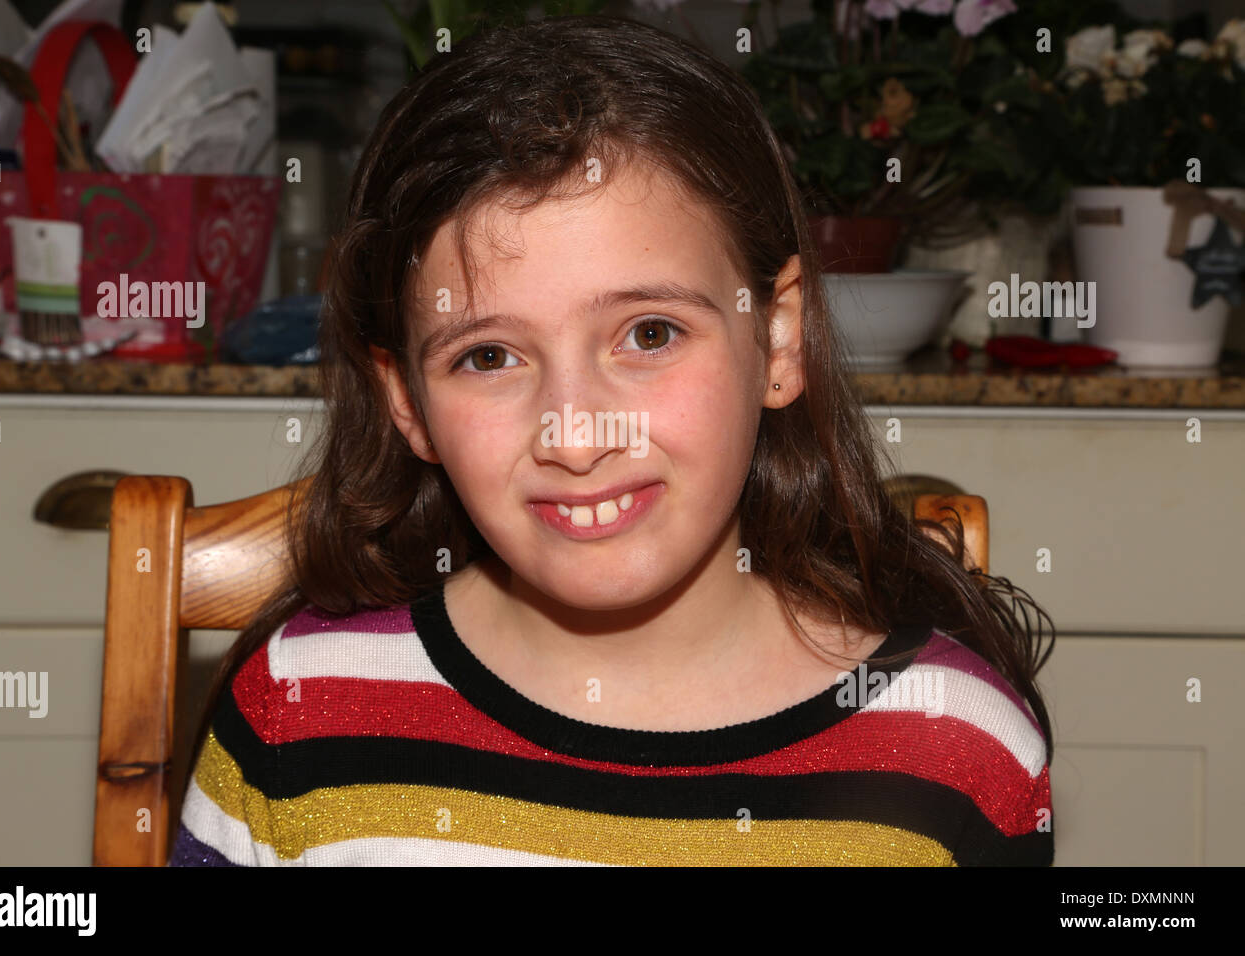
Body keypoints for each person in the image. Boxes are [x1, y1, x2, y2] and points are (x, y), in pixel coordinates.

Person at [170, 14, 1055, 866]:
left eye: (650, 335)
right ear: (405, 399)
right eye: (489, 355)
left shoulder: (956, 746)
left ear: (778, 338)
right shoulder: (298, 713)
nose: (576, 435)